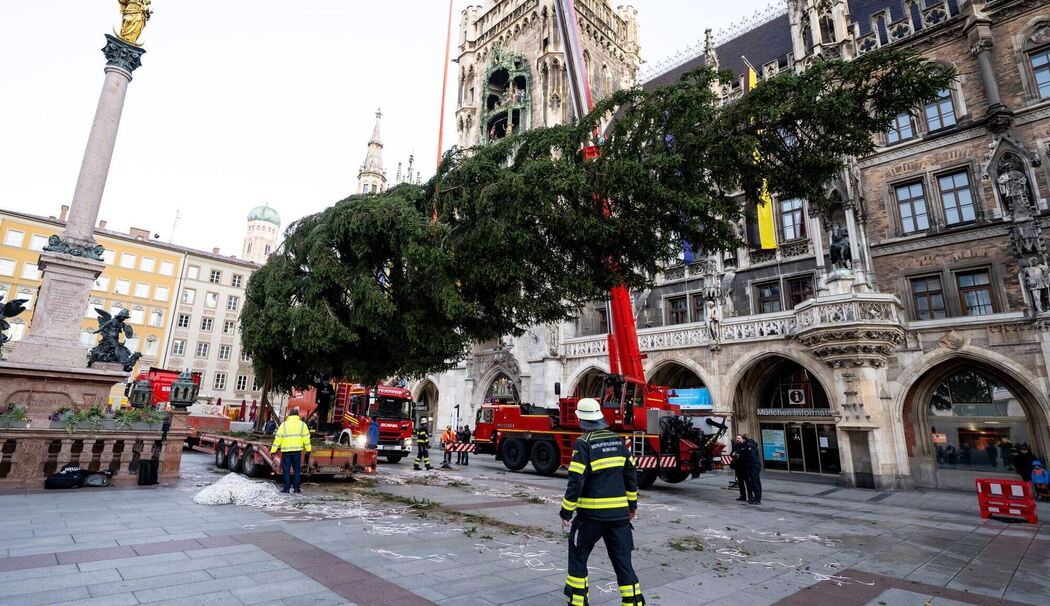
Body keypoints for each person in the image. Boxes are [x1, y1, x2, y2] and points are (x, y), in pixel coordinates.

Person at [560, 398, 644, 606]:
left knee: (578, 555)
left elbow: (576, 480)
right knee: (623, 561)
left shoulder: (583, 443)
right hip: (620, 516)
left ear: (581, 419)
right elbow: (631, 476)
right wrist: (632, 506)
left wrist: (566, 511)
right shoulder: (618, 441)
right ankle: (633, 602)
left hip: (591, 516)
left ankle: (578, 602)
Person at [270, 408, 312, 494]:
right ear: (297, 415)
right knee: (297, 470)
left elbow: (278, 439)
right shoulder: (302, 425)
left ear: (289, 415)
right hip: (297, 451)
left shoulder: (284, 425)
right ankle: (296, 489)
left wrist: (273, 451)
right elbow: (306, 438)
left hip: (286, 452)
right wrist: (308, 450)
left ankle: (286, 489)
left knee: (286, 471)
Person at [730, 435, 752, 503]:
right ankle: (743, 496)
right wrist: (733, 454)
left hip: (745, 467)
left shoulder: (745, 445)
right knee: (740, 482)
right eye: (736, 438)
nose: (737, 439)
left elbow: (747, 454)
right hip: (738, 467)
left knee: (747, 482)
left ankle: (750, 497)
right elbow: (731, 454)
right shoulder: (735, 446)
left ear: (742, 439)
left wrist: (738, 454)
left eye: (739, 438)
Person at [743, 433, 762, 505]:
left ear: (745, 439)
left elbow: (752, 456)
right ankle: (757, 497)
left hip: (753, 465)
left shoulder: (750, 445)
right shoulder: (752, 443)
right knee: (755, 482)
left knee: (754, 482)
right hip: (755, 465)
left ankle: (757, 499)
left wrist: (750, 463)